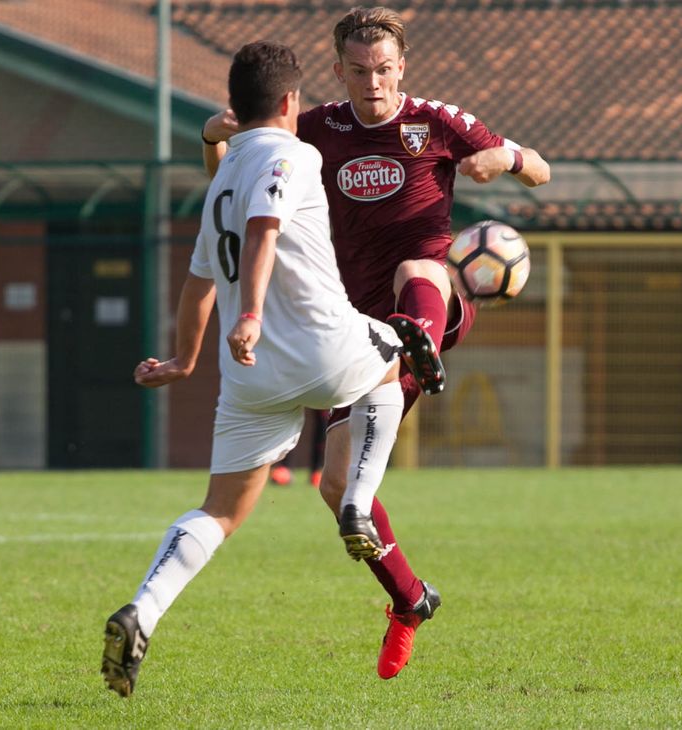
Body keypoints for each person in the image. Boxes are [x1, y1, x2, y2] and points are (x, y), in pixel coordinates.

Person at [201, 6, 551, 680]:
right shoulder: (314, 129)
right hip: (352, 335)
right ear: (338, 71)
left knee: (419, 266)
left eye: (385, 69)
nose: (374, 82)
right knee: (336, 488)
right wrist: (214, 137)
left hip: (429, 306)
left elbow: (541, 170)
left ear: (402, 67)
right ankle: (410, 600)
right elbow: (228, 177)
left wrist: (506, 157)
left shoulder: (437, 122)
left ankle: (419, 342)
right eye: (360, 71)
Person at [100, 40, 440, 698]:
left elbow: (199, 281)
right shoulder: (296, 154)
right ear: (290, 101)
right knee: (400, 349)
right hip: (319, 344)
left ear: (237, 105)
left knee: (220, 510)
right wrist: (252, 313)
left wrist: (184, 359)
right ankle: (357, 502)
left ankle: (142, 610)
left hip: (250, 377)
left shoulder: (222, 177)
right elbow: (264, 227)